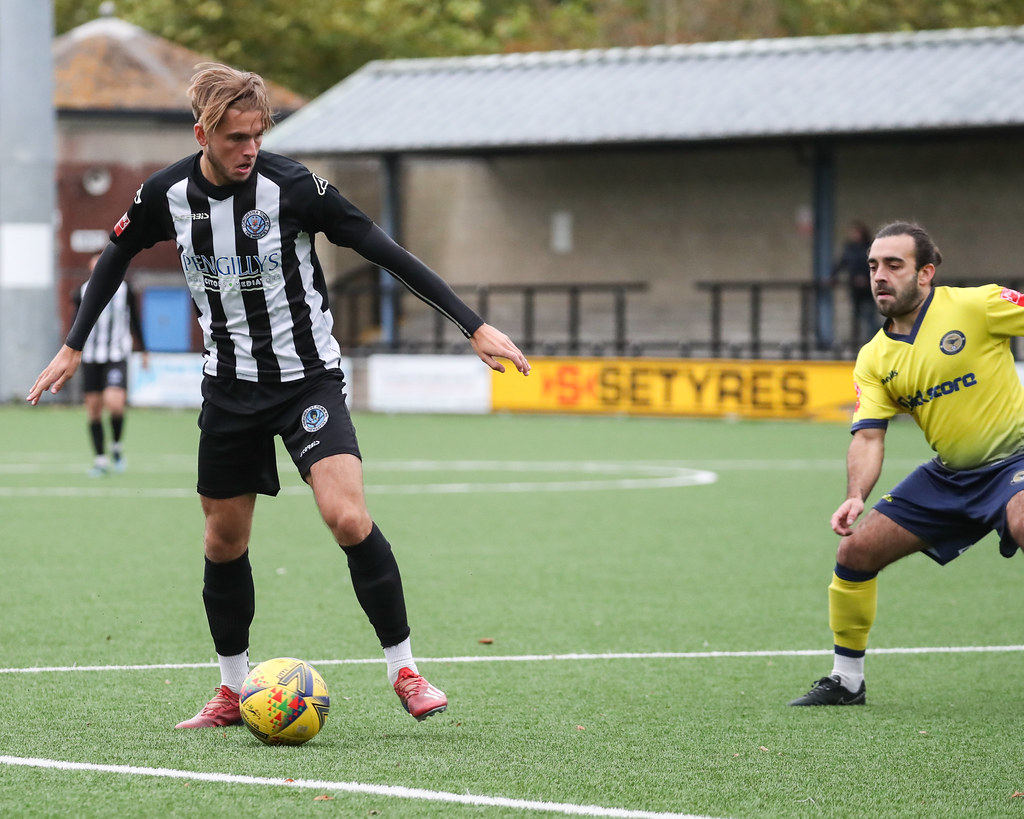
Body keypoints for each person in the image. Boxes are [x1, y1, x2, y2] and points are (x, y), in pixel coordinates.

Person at [28, 63, 530, 728]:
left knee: (347, 517)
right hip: (229, 387)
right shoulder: (165, 194)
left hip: (307, 380)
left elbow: (382, 250)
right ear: (202, 134)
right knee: (222, 540)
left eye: (258, 135)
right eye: (235, 138)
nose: (249, 149)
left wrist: (473, 325)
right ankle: (233, 689)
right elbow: (116, 255)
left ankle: (405, 669)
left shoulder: (293, 187)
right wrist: (74, 344)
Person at [790, 221, 1024, 706]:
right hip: (951, 475)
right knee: (855, 553)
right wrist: (855, 495)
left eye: (894, 265)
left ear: (925, 273)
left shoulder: (978, 305)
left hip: (1016, 460)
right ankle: (847, 681)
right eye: (873, 265)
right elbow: (868, 437)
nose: (879, 275)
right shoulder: (874, 357)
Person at [75, 253, 149, 476]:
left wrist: (144, 349)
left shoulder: (125, 290)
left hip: (116, 354)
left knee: (115, 404)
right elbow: (75, 324)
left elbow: (135, 319)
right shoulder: (80, 292)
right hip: (91, 356)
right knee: (94, 410)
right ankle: (100, 459)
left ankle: (116, 445)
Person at [833, 220, 876, 347]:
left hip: (868, 288)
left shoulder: (870, 247)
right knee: (856, 315)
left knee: (870, 315)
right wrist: (833, 276)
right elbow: (842, 263)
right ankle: (856, 342)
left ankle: (872, 340)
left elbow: (873, 264)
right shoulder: (849, 248)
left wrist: (866, 278)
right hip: (854, 288)